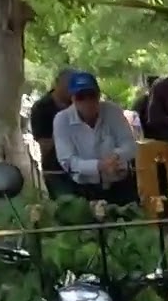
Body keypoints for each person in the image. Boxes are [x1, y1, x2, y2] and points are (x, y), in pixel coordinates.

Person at [51, 71, 139, 205]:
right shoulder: (62, 120)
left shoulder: (113, 111)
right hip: (84, 189)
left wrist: (115, 157)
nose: (87, 102)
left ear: (98, 96)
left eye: (91, 95)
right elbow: (67, 160)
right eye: (81, 97)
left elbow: (130, 144)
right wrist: (99, 166)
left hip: (120, 185)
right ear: (73, 99)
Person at [30, 67, 74, 197]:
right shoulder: (41, 108)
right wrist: (62, 133)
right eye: (68, 86)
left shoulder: (77, 104)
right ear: (57, 84)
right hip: (56, 169)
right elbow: (44, 145)